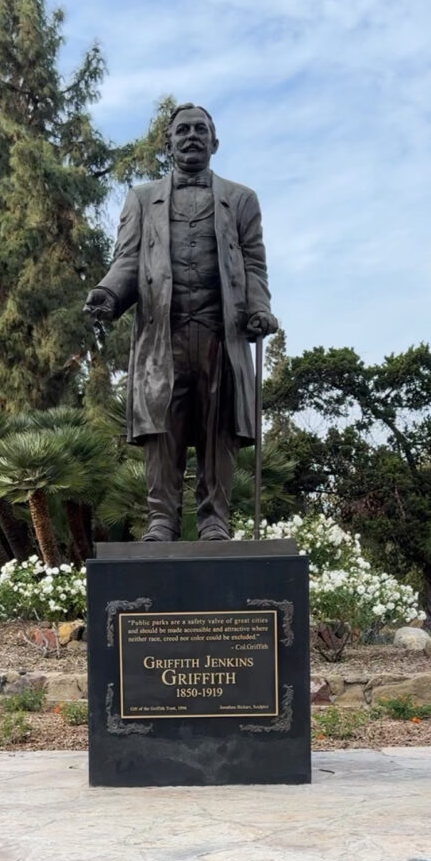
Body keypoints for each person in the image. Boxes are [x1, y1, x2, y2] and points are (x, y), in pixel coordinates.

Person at [85, 103, 277, 541]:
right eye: (183, 130)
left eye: (201, 130)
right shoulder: (141, 198)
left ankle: (214, 519)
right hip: (162, 336)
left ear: (215, 142)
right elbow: (128, 260)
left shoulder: (242, 199)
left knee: (218, 427)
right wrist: (108, 294)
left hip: (220, 333)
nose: (192, 136)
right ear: (167, 142)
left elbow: (254, 265)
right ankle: (162, 519)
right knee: (162, 428)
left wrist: (259, 309)